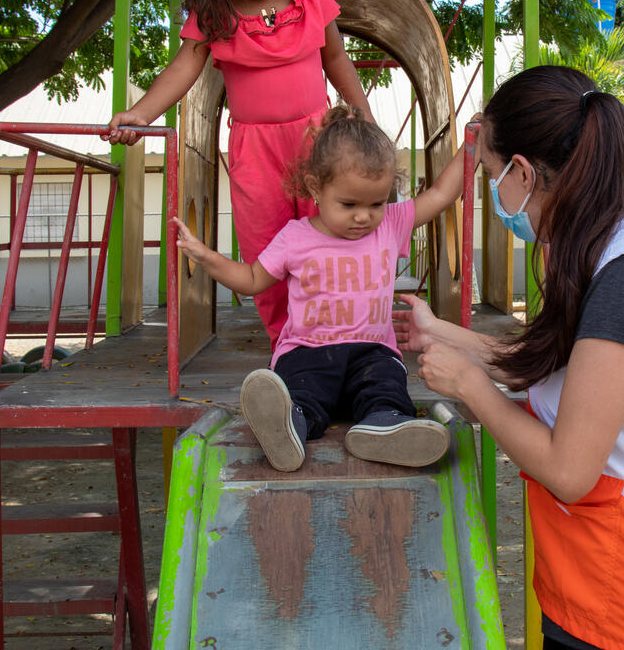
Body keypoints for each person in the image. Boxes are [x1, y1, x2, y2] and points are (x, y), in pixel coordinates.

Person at [394, 66, 624, 650]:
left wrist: (472, 387)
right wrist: (439, 332)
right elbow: (573, 368)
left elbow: (570, 471)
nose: (497, 195)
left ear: (522, 171)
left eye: (493, 178)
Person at [106, 0, 372, 349]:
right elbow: (184, 65)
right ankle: (287, 345)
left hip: (320, 143)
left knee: (331, 233)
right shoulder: (217, 13)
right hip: (256, 150)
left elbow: (336, 59)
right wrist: (141, 114)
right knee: (266, 247)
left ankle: (342, 336)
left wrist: (364, 118)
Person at [172, 105, 470, 472]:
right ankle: (289, 426)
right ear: (316, 187)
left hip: (371, 352)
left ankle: (385, 425)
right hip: (308, 351)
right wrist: (205, 257)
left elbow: (441, 194)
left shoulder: (391, 224)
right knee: (300, 391)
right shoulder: (296, 237)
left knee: (385, 385)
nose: (364, 216)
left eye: (376, 203)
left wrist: (475, 142)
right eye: (349, 204)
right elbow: (250, 280)